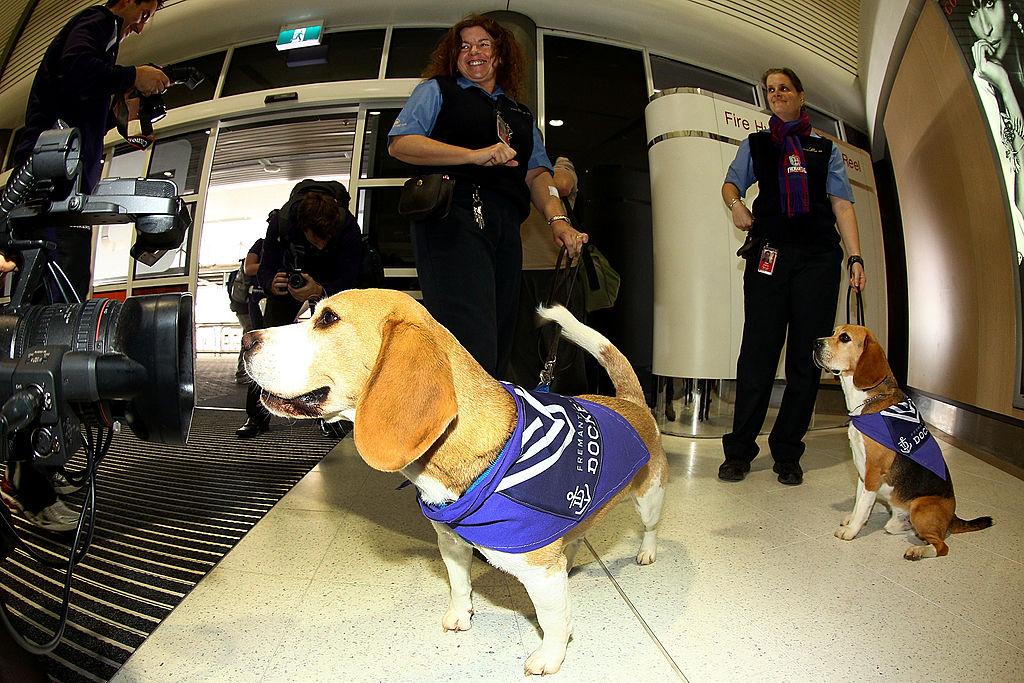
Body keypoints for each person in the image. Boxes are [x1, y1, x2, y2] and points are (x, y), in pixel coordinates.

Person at [0, 0, 169, 533]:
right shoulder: (97, 23)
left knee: (61, 328)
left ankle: (46, 468)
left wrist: (125, 117)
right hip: (43, 193)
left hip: (60, 200)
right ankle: (32, 488)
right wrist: (132, 74)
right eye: (148, 6)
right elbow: (76, 69)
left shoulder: (107, 34)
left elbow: (82, 91)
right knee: (40, 343)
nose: (147, 19)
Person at [387, 14, 588, 379]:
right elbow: (401, 144)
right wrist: (473, 155)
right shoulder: (437, 90)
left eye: (483, 44)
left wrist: (558, 220)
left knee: (499, 335)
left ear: (499, 55)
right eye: (464, 46)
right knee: (467, 332)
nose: (473, 52)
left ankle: (486, 426)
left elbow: (538, 174)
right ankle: (458, 427)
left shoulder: (521, 115)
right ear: (454, 56)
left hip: (506, 225)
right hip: (453, 214)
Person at [718, 67, 866, 486]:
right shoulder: (757, 144)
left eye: (784, 88)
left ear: (801, 96)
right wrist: (736, 205)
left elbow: (842, 206)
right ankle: (740, 450)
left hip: (818, 260)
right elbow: (731, 184)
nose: (776, 94)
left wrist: (855, 258)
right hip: (770, 255)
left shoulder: (825, 150)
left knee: (807, 357)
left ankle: (787, 452)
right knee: (758, 353)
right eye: (770, 90)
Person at [236, 180, 363, 438]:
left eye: (328, 239)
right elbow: (264, 267)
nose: (322, 246)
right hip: (287, 287)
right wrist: (272, 282)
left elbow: (353, 277)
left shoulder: (348, 226)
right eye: (316, 239)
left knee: (330, 345)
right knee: (262, 344)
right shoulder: (281, 222)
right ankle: (256, 417)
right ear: (303, 228)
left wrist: (319, 290)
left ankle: (329, 416)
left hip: (328, 285)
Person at [507, 156, 588, 394]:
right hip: (519, 273)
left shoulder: (561, 164)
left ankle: (573, 405)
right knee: (522, 350)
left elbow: (562, 184)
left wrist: (535, 171)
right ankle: (530, 404)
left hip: (559, 272)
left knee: (565, 350)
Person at [229, 238, 263, 384]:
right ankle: (243, 372)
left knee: (252, 335)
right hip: (246, 304)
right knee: (250, 335)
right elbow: (248, 269)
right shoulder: (260, 245)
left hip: (247, 303)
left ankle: (245, 371)